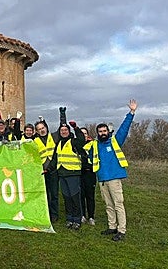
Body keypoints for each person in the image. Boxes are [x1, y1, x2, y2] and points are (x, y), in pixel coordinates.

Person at [85, 99, 137, 242]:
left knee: (118, 204)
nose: (102, 133)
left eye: (104, 131)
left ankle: (121, 230)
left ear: (108, 131)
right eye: (100, 131)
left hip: (114, 178)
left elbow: (124, 129)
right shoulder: (94, 145)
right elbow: (89, 157)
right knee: (108, 205)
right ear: (97, 133)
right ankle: (112, 226)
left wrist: (131, 113)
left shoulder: (115, 141)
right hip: (101, 179)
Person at [55, 113, 85, 230]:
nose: (63, 132)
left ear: (69, 131)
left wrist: (76, 128)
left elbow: (82, 140)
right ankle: (69, 218)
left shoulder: (73, 141)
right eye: (61, 130)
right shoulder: (59, 143)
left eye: (65, 130)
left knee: (74, 197)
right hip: (62, 174)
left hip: (72, 173)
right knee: (66, 198)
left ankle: (77, 219)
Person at [34, 118, 59, 223]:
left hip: (53, 170)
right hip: (43, 170)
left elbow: (62, 127)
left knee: (54, 193)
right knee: (45, 194)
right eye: (39, 129)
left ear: (46, 127)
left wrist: (62, 114)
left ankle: (54, 214)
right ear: (37, 131)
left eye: (43, 128)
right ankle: (46, 212)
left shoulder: (53, 137)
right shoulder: (35, 141)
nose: (42, 130)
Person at [80, 127, 96, 226]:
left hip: (90, 173)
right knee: (81, 195)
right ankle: (82, 215)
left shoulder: (93, 145)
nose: (83, 135)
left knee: (90, 196)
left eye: (85, 133)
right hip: (79, 173)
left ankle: (91, 216)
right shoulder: (76, 144)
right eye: (81, 134)